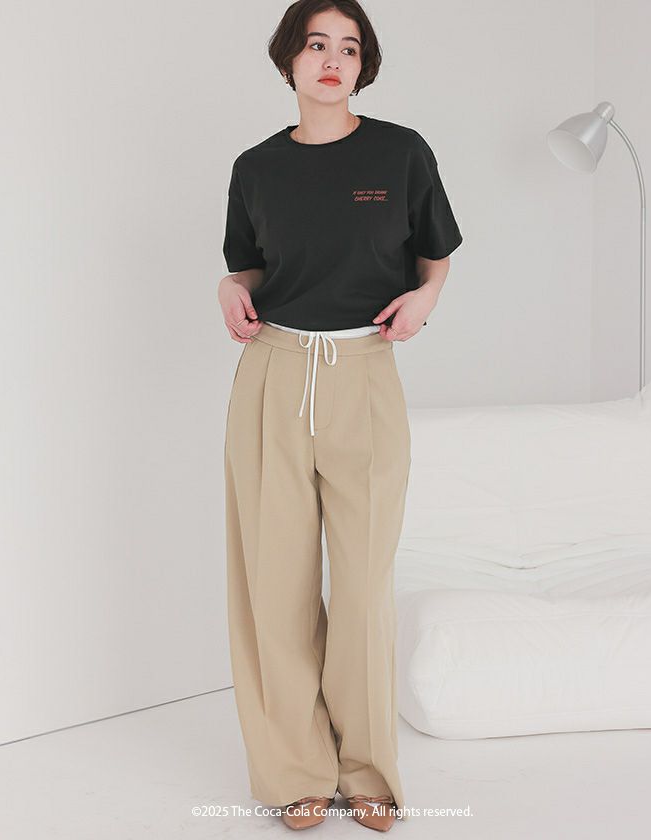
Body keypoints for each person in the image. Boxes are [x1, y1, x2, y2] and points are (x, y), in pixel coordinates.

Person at [219, 0, 463, 831]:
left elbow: (434, 259)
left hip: (363, 373)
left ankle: (366, 772)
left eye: (349, 48)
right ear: (289, 58)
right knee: (275, 584)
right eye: (316, 44)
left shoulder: (401, 152)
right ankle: (296, 771)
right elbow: (250, 270)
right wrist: (227, 288)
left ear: (364, 65)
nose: (332, 60)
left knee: (362, 587)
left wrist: (426, 299)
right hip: (273, 374)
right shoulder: (256, 168)